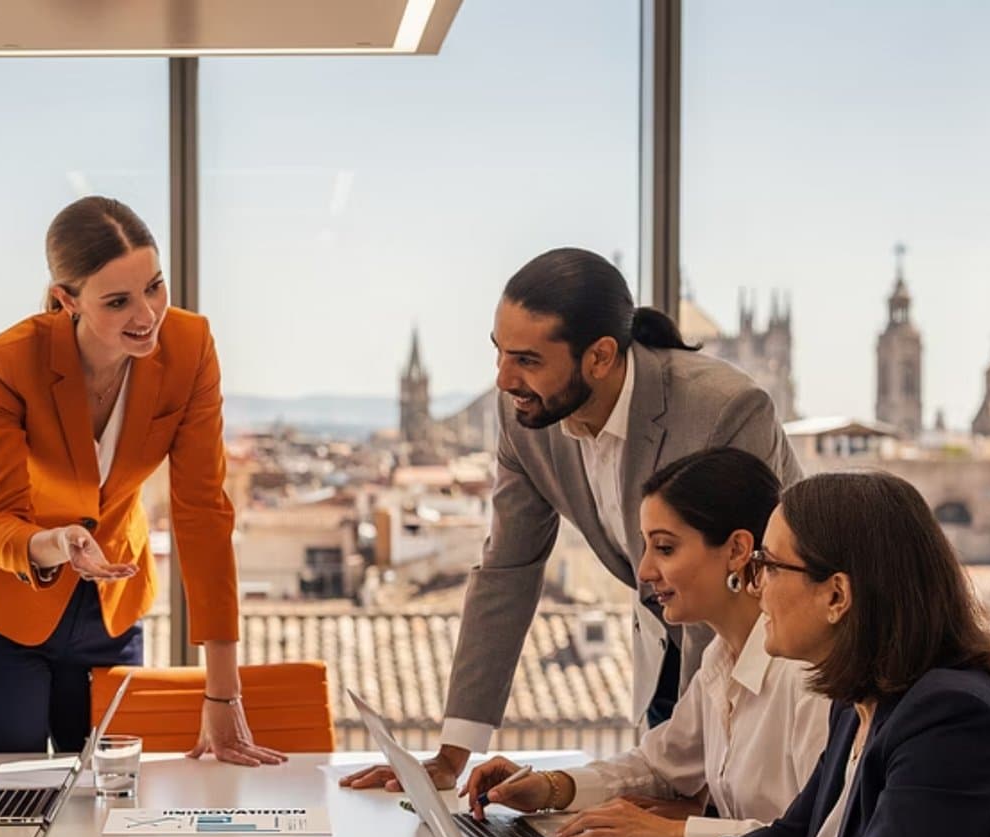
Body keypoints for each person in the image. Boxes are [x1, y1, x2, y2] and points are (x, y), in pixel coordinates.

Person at [343, 247, 801, 793]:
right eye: (499, 353)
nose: (503, 379)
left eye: (528, 360)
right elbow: (508, 570)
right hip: (665, 661)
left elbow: (732, 582)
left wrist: (694, 795)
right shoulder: (526, 416)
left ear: (600, 357)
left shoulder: (722, 408)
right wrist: (450, 757)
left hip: (771, 668)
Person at [559, 471, 990, 837]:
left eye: (769, 566)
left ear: (837, 595)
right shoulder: (860, 701)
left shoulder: (950, 719)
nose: (755, 586)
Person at [0, 196, 284, 764]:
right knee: (14, 798)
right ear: (66, 299)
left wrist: (222, 692)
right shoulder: (5, 363)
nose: (147, 315)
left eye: (155, 287)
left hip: (111, 607)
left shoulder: (190, 346)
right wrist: (58, 543)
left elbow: (203, 514)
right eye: (118, 301)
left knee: (112, 792)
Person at [462, 448, 829, 837]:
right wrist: (551, 787)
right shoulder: (720, 659)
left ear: (737, 550)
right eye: (646, 548)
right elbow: (659, 767)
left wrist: (676, 833)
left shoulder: (807, 678)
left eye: (665, 548)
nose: (644, 572)